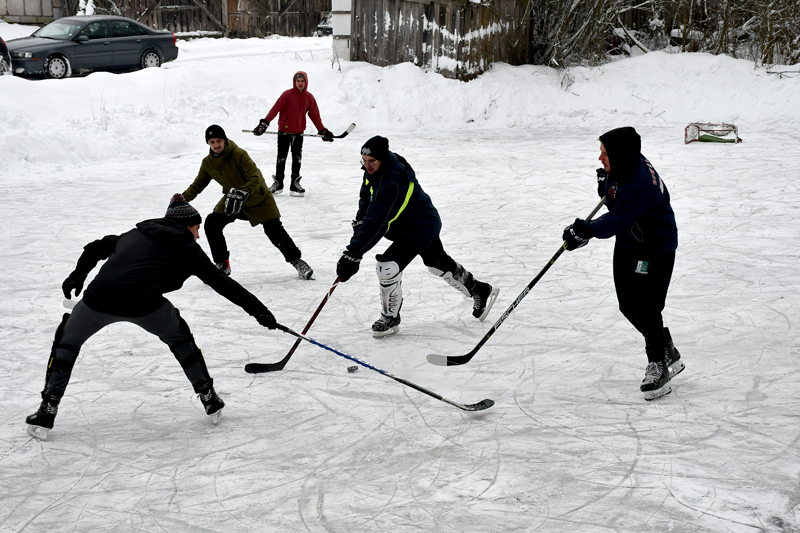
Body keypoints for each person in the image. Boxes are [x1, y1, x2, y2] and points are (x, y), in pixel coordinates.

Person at [25, 194, 279, 440]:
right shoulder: (189, 249)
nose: (199, 234)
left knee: (66, 344)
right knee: (181, 340)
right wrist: (259, 311)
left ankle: (47, 410)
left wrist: (77, 276)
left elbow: (95, 248)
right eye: (196, 228)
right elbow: (223, 283)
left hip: (98, 299)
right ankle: (208, 396)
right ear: (185, 226)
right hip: (144, 305)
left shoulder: (134, 234)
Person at [562, 126, 683, 401]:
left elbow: (615, 220)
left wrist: (583, 229)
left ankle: (659, 365)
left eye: (604, 153)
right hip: (629, 242)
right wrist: (604, 182)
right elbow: (613, 200)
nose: (599, 158)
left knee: (644, 303)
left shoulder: (639, 184)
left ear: (620, 155)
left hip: (654, 248)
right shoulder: (626, 164)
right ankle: (666, 348)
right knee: (627, 305)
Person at [335, 136, 499, 338]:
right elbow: (367, 197)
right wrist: (360, 222)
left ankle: (390, 318)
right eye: (364, 160)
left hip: (420, 226)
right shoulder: (376, 169)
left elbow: (378, 220)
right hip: (409, 225)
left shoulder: (392, 182)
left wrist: (353, 253)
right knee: (436, 263)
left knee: (387, 267)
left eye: (371, 161)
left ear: (383, 159)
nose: (367, 165)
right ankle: (479, 289)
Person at [183, 124, 315, 280]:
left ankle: (297, 261)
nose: (216, 145)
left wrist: (243, 191)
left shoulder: (238, 154)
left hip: (258, 197)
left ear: (224, 140)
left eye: (219, 141)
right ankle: (222, 263)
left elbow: (255, 177)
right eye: (212, 142)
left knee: (274, 230)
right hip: (234, 199)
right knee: (212, 223)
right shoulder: (208, 163)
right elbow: (198, 185)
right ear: (208, 143)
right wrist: (182, 199)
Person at [252, 71, 334, 196]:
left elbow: (315, 116)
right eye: (298, 81)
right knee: (281, 157)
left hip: (298, 133)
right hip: (284, 132)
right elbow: (275, 109)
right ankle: (278, 183)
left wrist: (322, 131)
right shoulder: (287, 95)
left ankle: (294, 184)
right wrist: (265, 123)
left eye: (302, 81)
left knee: (297, 158)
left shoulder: (309, 98)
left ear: (306, 82)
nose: (300, 83)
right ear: (294, 82)